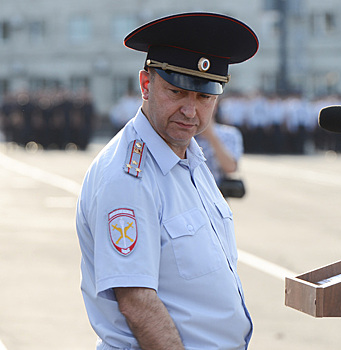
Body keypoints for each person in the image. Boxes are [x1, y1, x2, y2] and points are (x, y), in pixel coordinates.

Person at [75, 12, 258, 350]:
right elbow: (138, 305)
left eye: (204, 97)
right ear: (146, 86)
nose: (191, 111)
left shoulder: (188, 155)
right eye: (177, 92)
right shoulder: (127, 177)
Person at [195, 104, 244, 196]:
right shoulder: (184, 133)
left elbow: (231, 168)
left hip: (217, 194)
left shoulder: (229, 134)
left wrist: (210, 135)